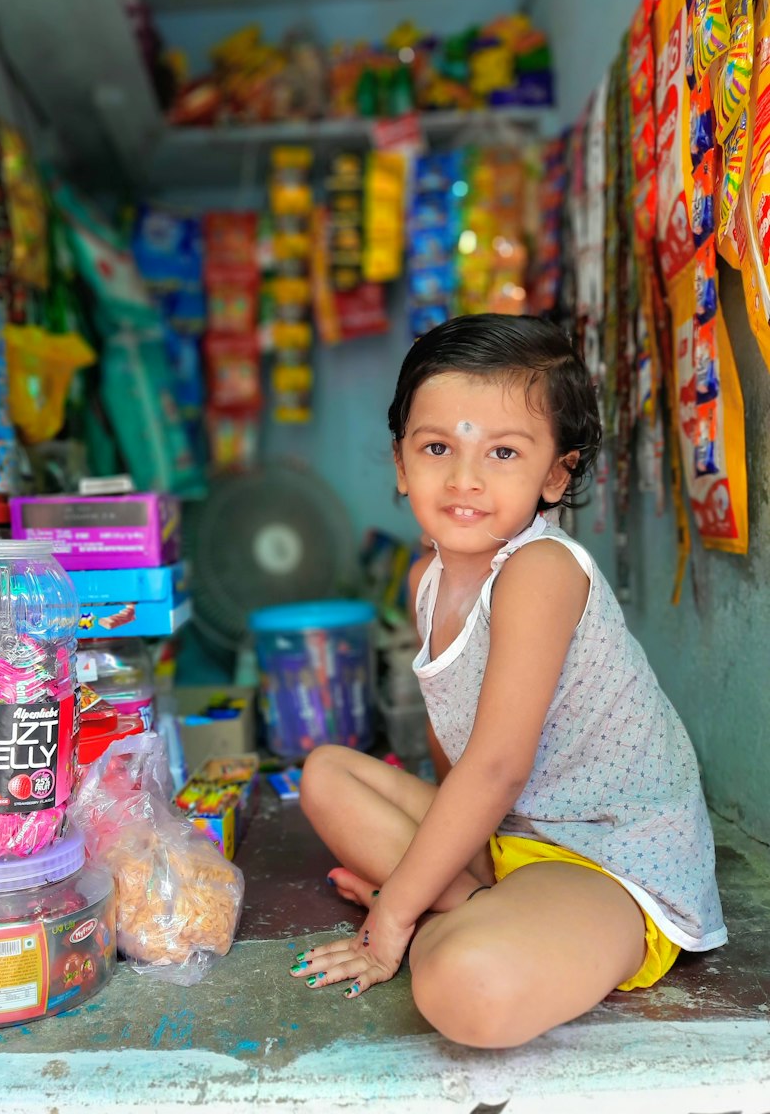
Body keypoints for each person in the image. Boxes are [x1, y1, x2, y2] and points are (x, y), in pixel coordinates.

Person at [291, 314, 726, 1048]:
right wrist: (442, 866)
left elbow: (496, 766)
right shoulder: (427, 580)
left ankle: (445, 918)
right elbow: (454, 749)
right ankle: (464, 903)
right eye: (437, 448)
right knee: (325, 774)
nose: (465, 479)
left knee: (470, 991)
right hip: (511, 838)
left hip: (609, 862)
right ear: (401, 464)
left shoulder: (540, 572)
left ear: (555, 473)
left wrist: (392, 916)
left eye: (502, 452)